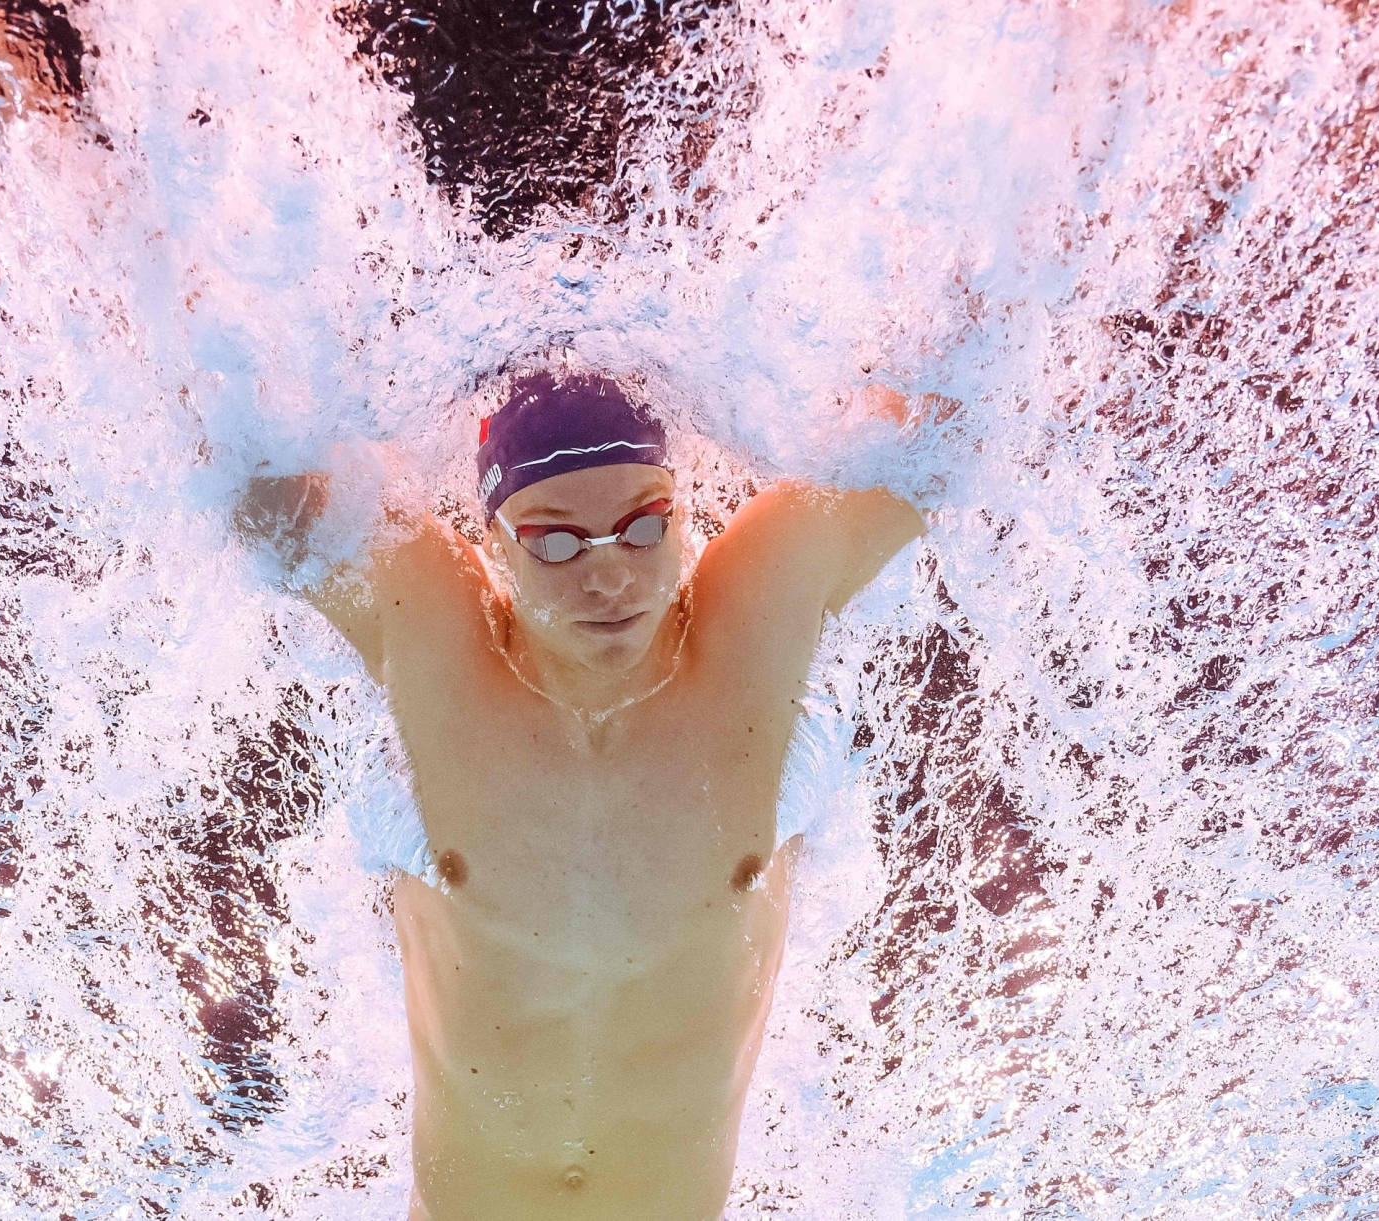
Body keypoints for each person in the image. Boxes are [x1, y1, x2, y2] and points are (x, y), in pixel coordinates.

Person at [236, 369, 927, 1220]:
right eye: (557, 543)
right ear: (493, 545)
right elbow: (239, 469)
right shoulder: (435, 633)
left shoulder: (756, 619)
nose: (610, 578)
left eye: (642, 526)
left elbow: (954, 418)